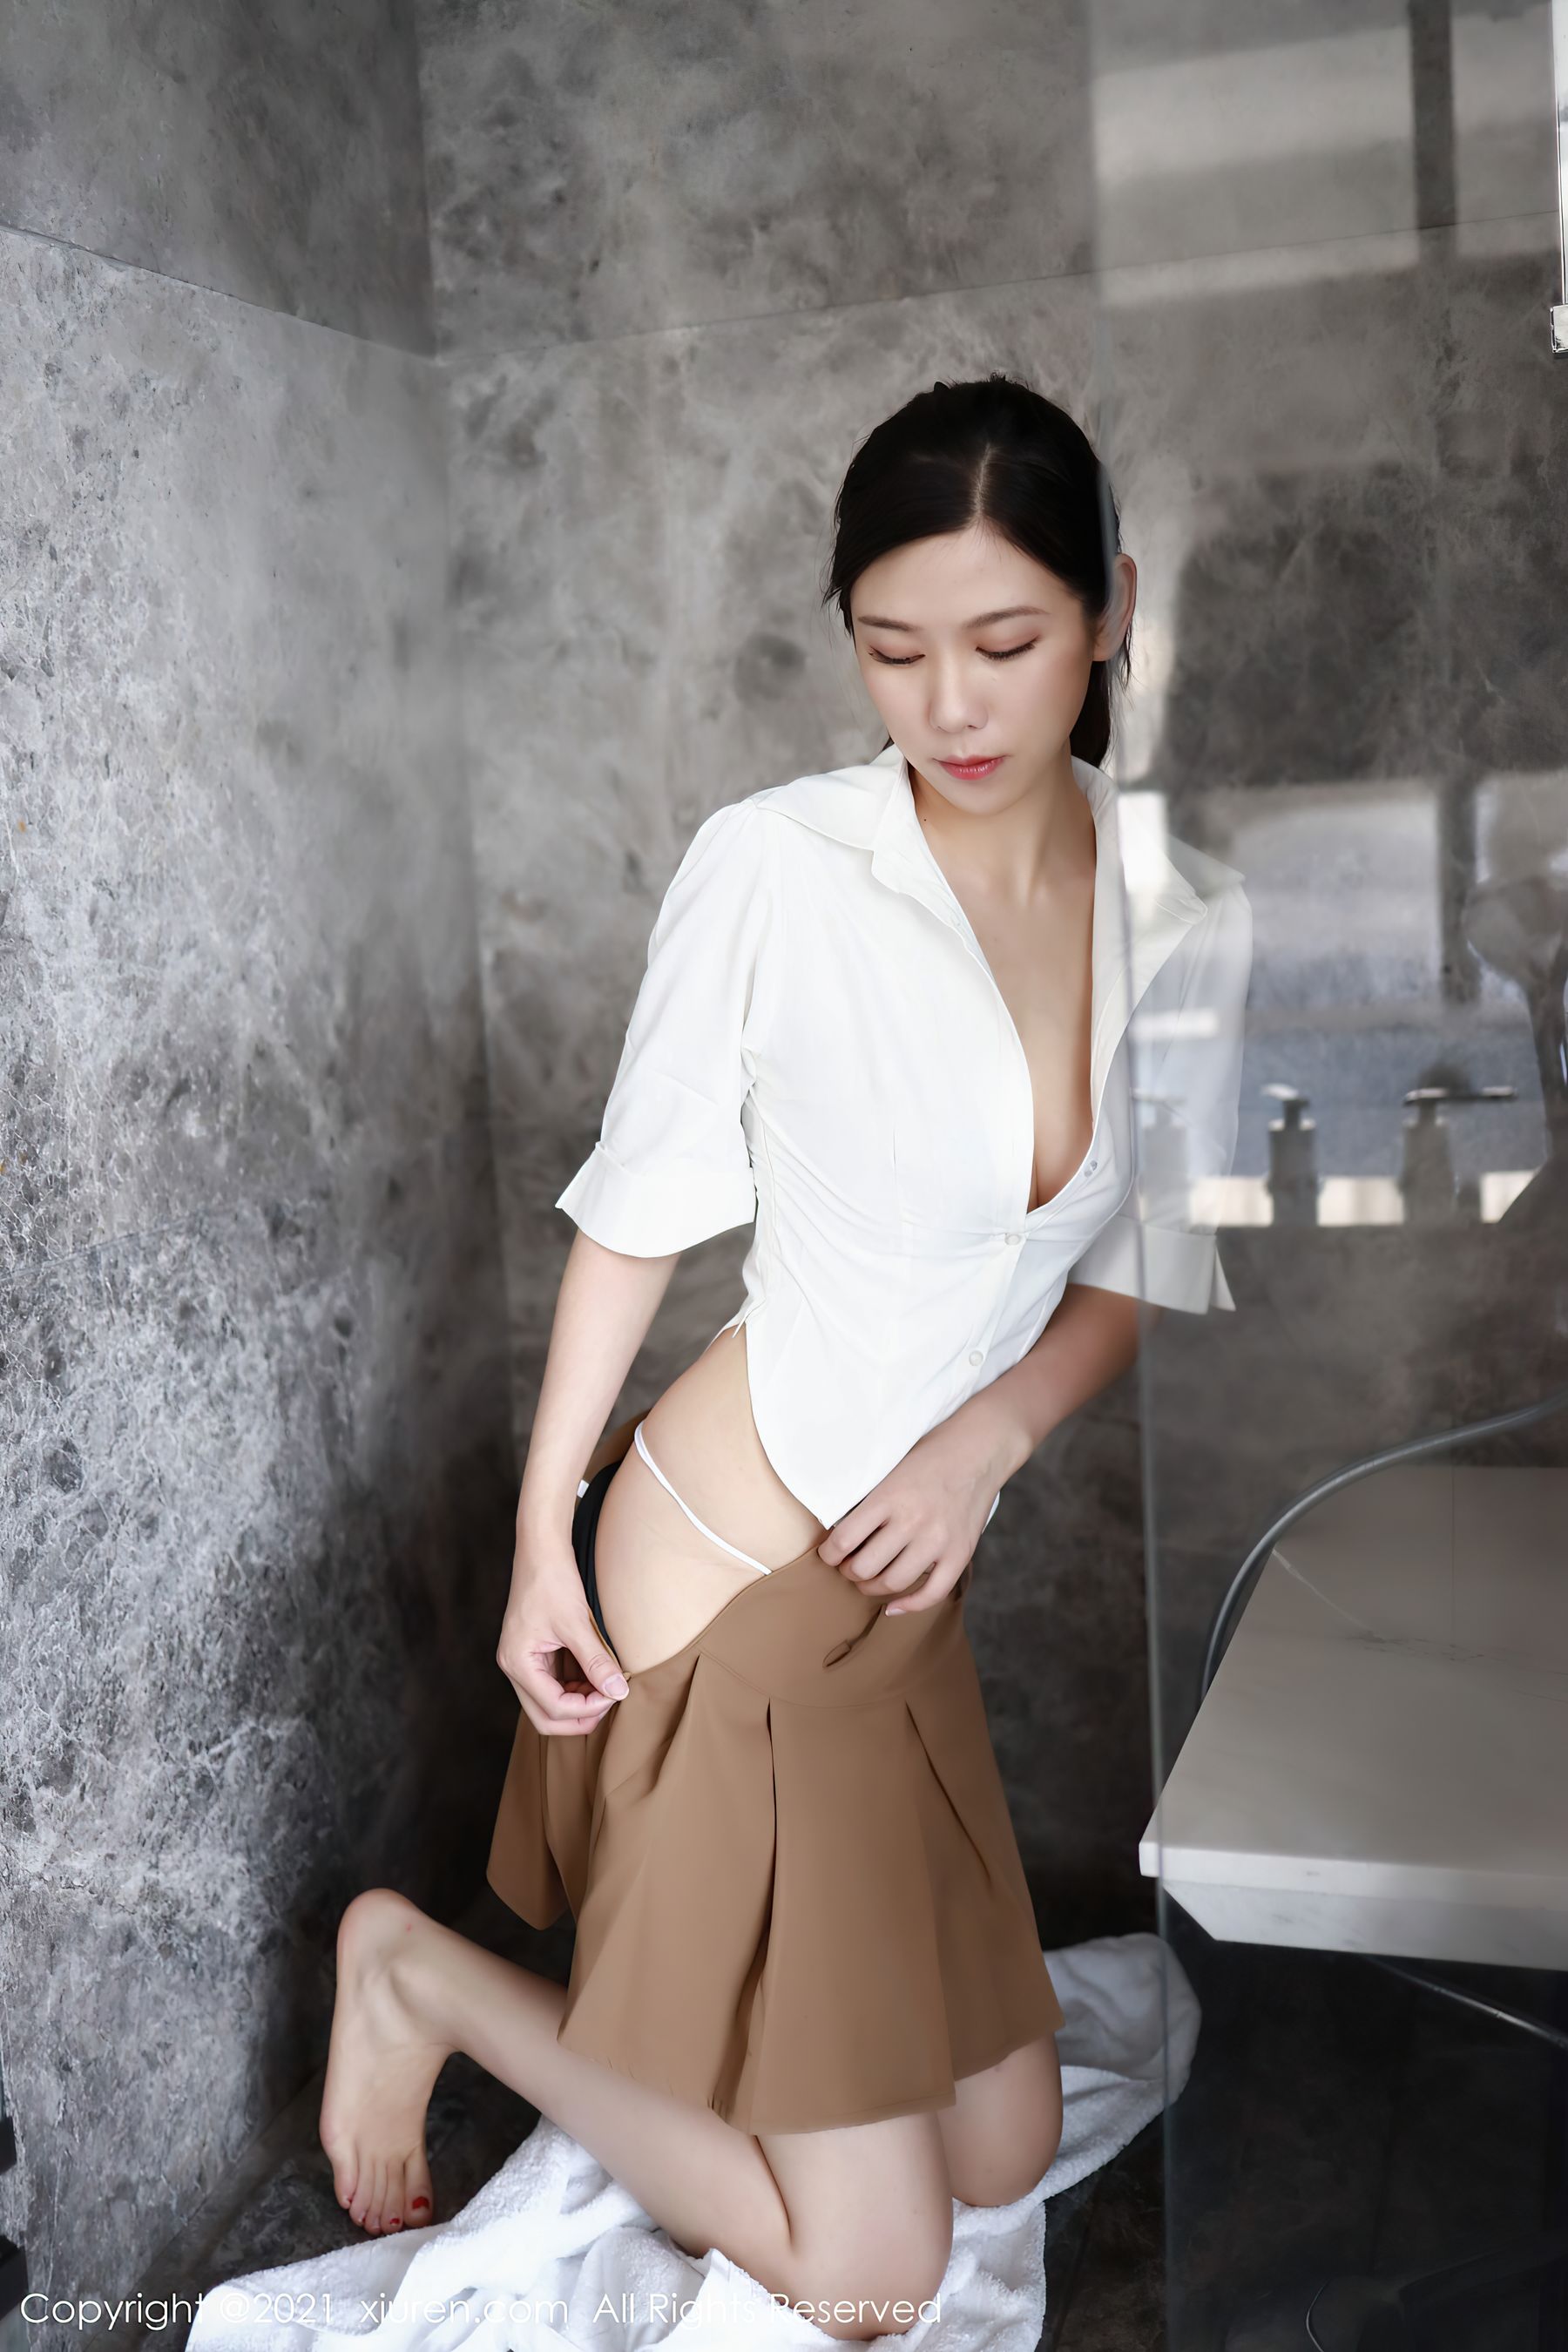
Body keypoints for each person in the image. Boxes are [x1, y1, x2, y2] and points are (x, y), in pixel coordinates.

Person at [318, 373, 1252, 2342]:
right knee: (875, 2274)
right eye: (892, 650)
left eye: (1005, 641)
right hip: (728, 1584)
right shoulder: (776, 863)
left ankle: (746, 2033)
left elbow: (1141, 1268)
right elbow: (635, 1218)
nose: (952, 705)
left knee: (1008, 2145)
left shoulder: (1192, 915)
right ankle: (421, 1977)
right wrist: (541, 1540)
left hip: (903, 1595)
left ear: (1112, 611)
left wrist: (987, 1443)